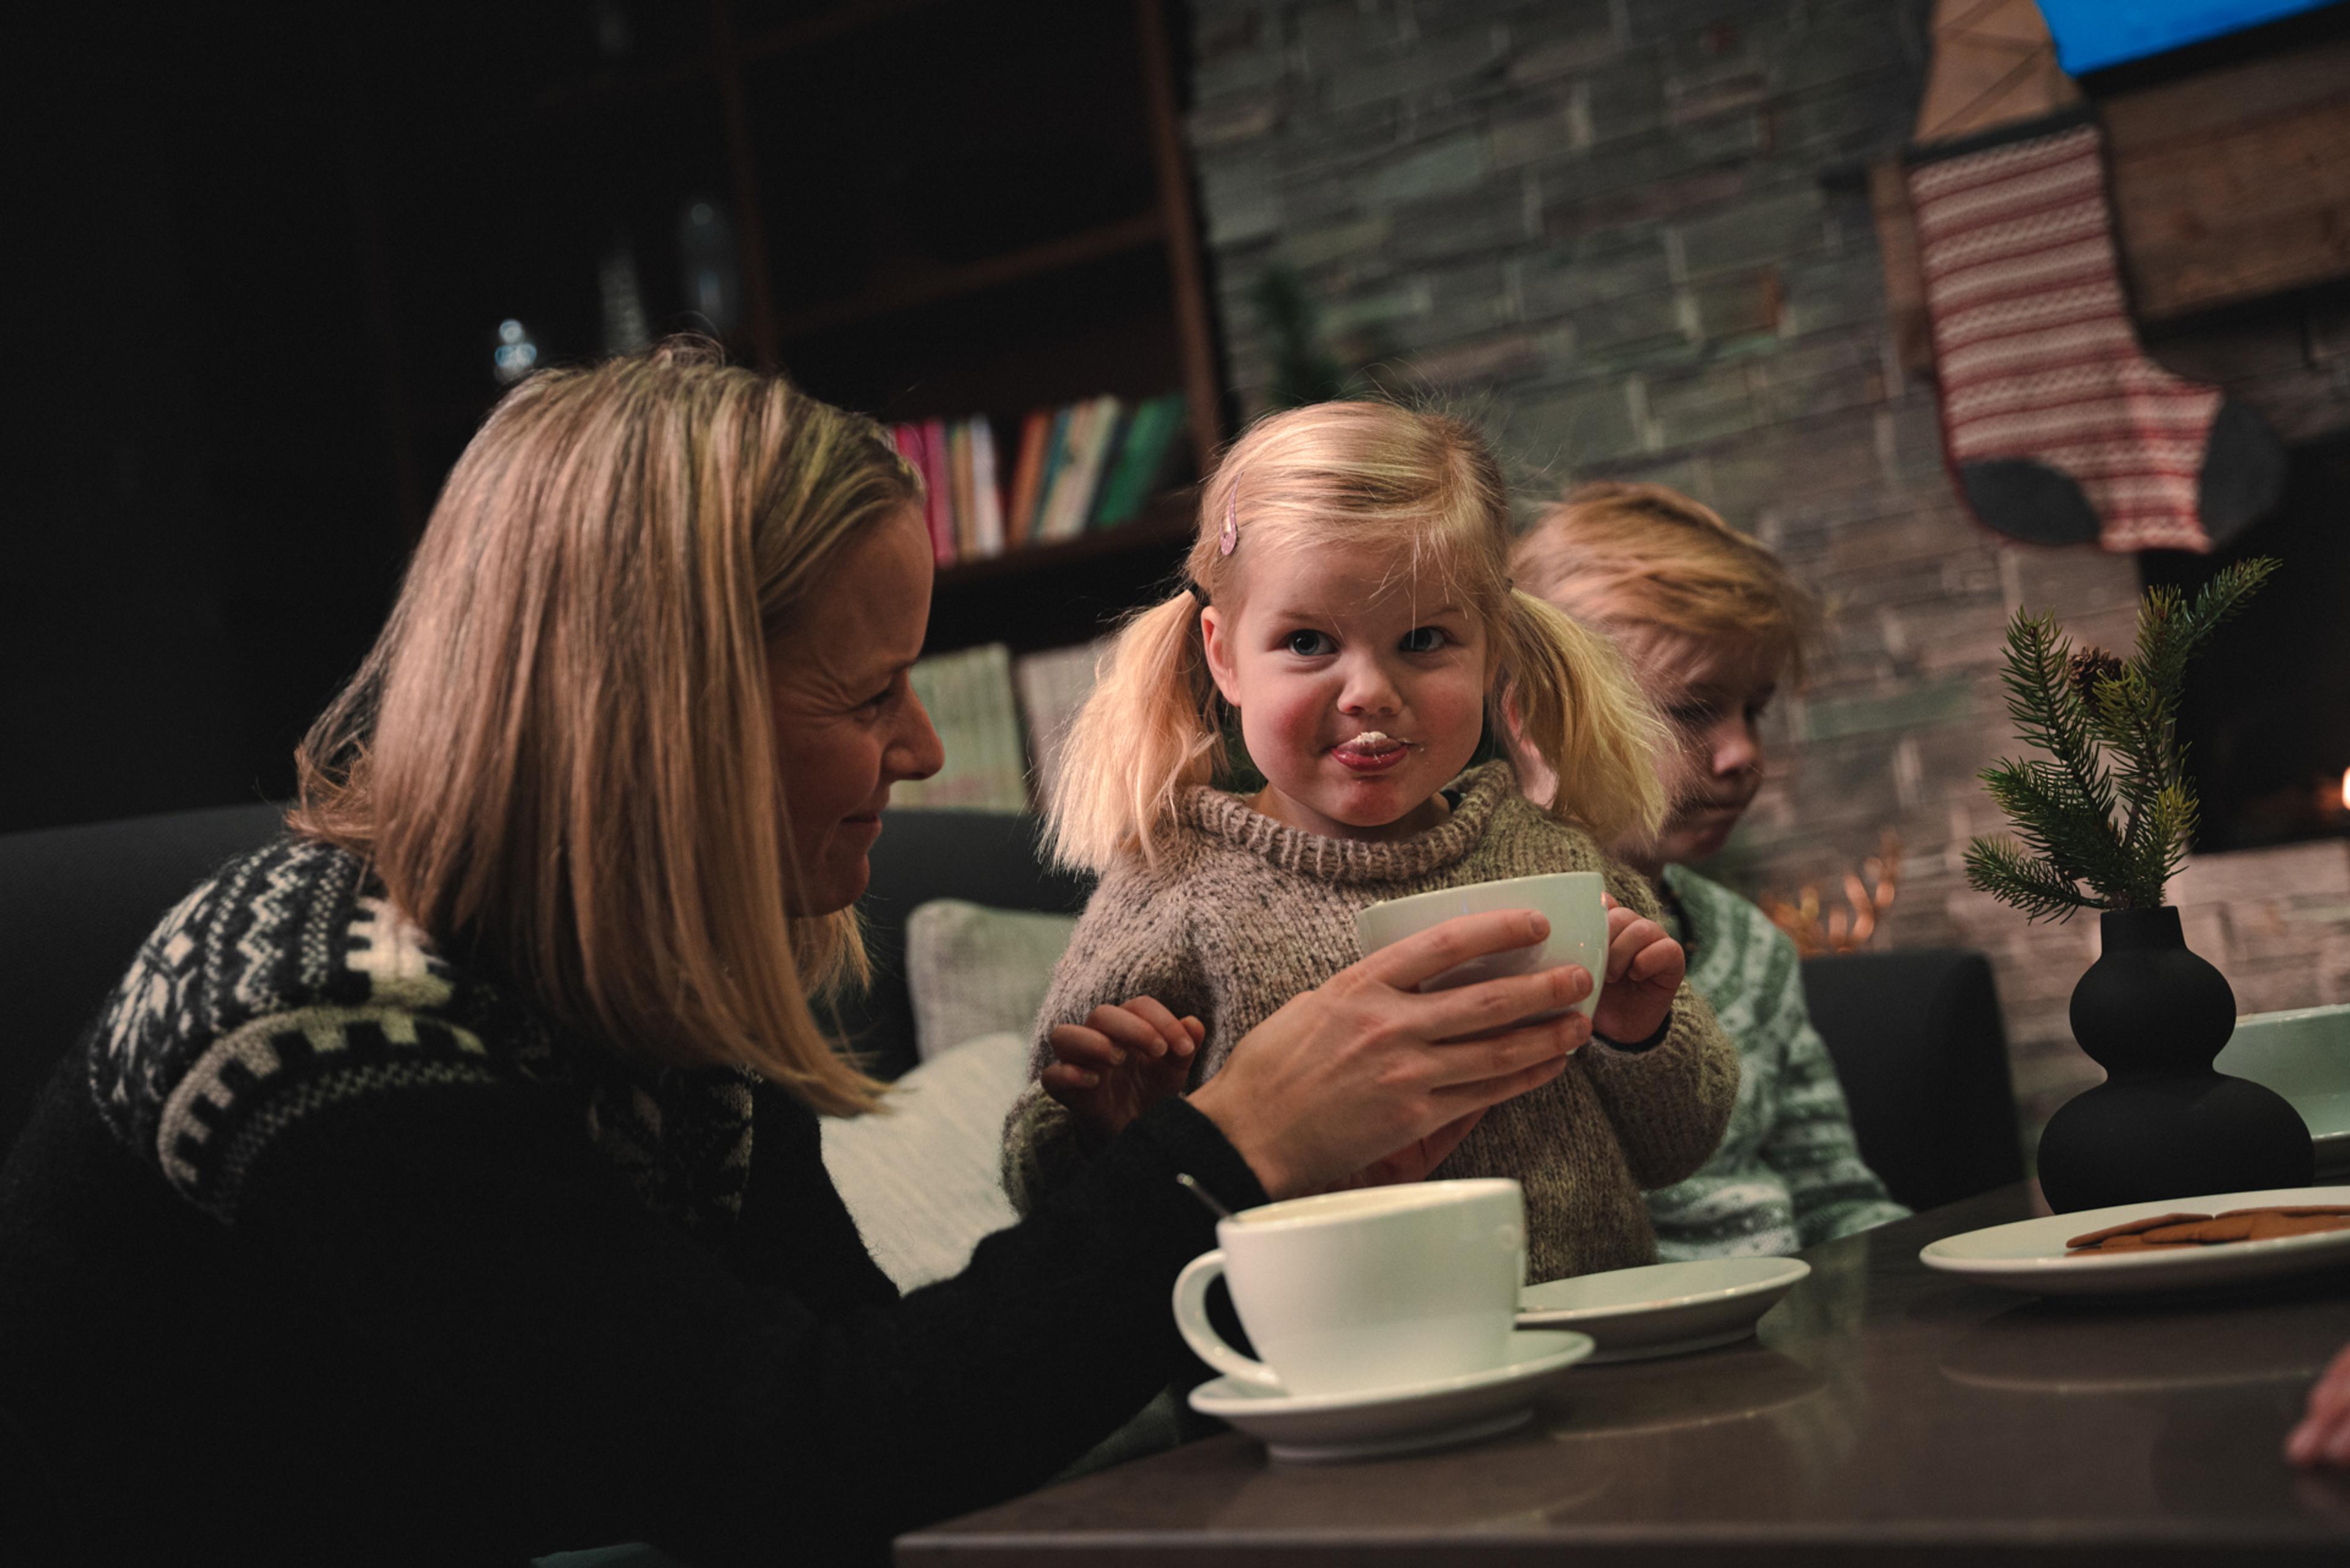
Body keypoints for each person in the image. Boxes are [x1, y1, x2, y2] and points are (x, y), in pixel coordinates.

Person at [0, 344, 1594, 1567]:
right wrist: (1219, 1150)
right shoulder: (333, 1028)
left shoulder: (633, 976)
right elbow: (788, 1473)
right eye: (865, 695)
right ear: (663, 722)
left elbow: (852, 1382)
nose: (917, 747)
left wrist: (1173, 1182)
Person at [1001, 401, 1740, 1286]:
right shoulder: (1174, 888)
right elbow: (1044, 1202)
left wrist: (1639, 1035)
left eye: (1423, 640)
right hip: (1325, 1385)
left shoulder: (1559, 862)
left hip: (1596, 1355)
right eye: (1308, 642)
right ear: (1224, 653)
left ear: (1492, 643)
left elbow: (1679, 1148)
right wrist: (1121, 1136)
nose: (1370, 692)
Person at [1510, 481, 1908, 1257]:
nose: (1743, 756)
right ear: (1541, 721)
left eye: (1753, 710)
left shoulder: (1748, 947)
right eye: (1691, 712)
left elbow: (1833, 1198)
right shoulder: (1502, 946)